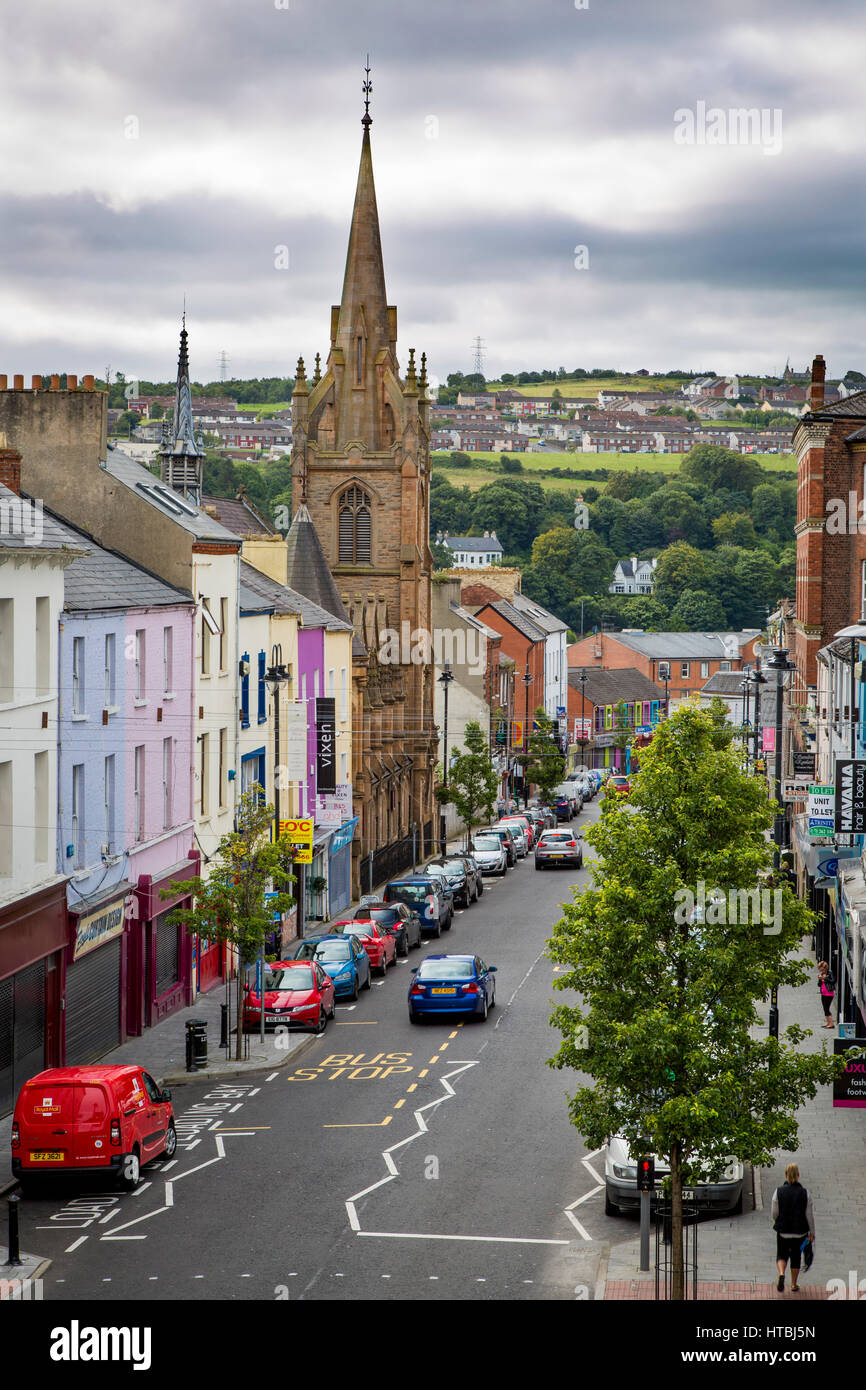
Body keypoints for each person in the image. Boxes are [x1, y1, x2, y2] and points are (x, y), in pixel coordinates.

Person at [771, 1163, 815, 1293]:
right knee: (796, 1257)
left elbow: (774, 1213)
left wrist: (778, 1222)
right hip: (800, 1232)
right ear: (798, 1175)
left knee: (781, 1254)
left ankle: (781, 1273)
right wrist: (811, 1232)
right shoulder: (805, 1193)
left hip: (783, 1231)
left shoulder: (778, 1191)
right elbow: (809, 1215)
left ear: (786, 1175)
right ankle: (794, 1284)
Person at [817, 960, 835, 1029]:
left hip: (829, 993)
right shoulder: (821, 974)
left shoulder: (830, 973)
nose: (821, 971)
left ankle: (831, 1024)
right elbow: (819, 985)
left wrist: (825, 978)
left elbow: (833, 981)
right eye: (820, 969)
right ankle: (828, 1023)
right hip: (823, 993)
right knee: (825, 1008)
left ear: (825, 968)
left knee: (827, 1008)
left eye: (822, 969)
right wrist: (820, 979)